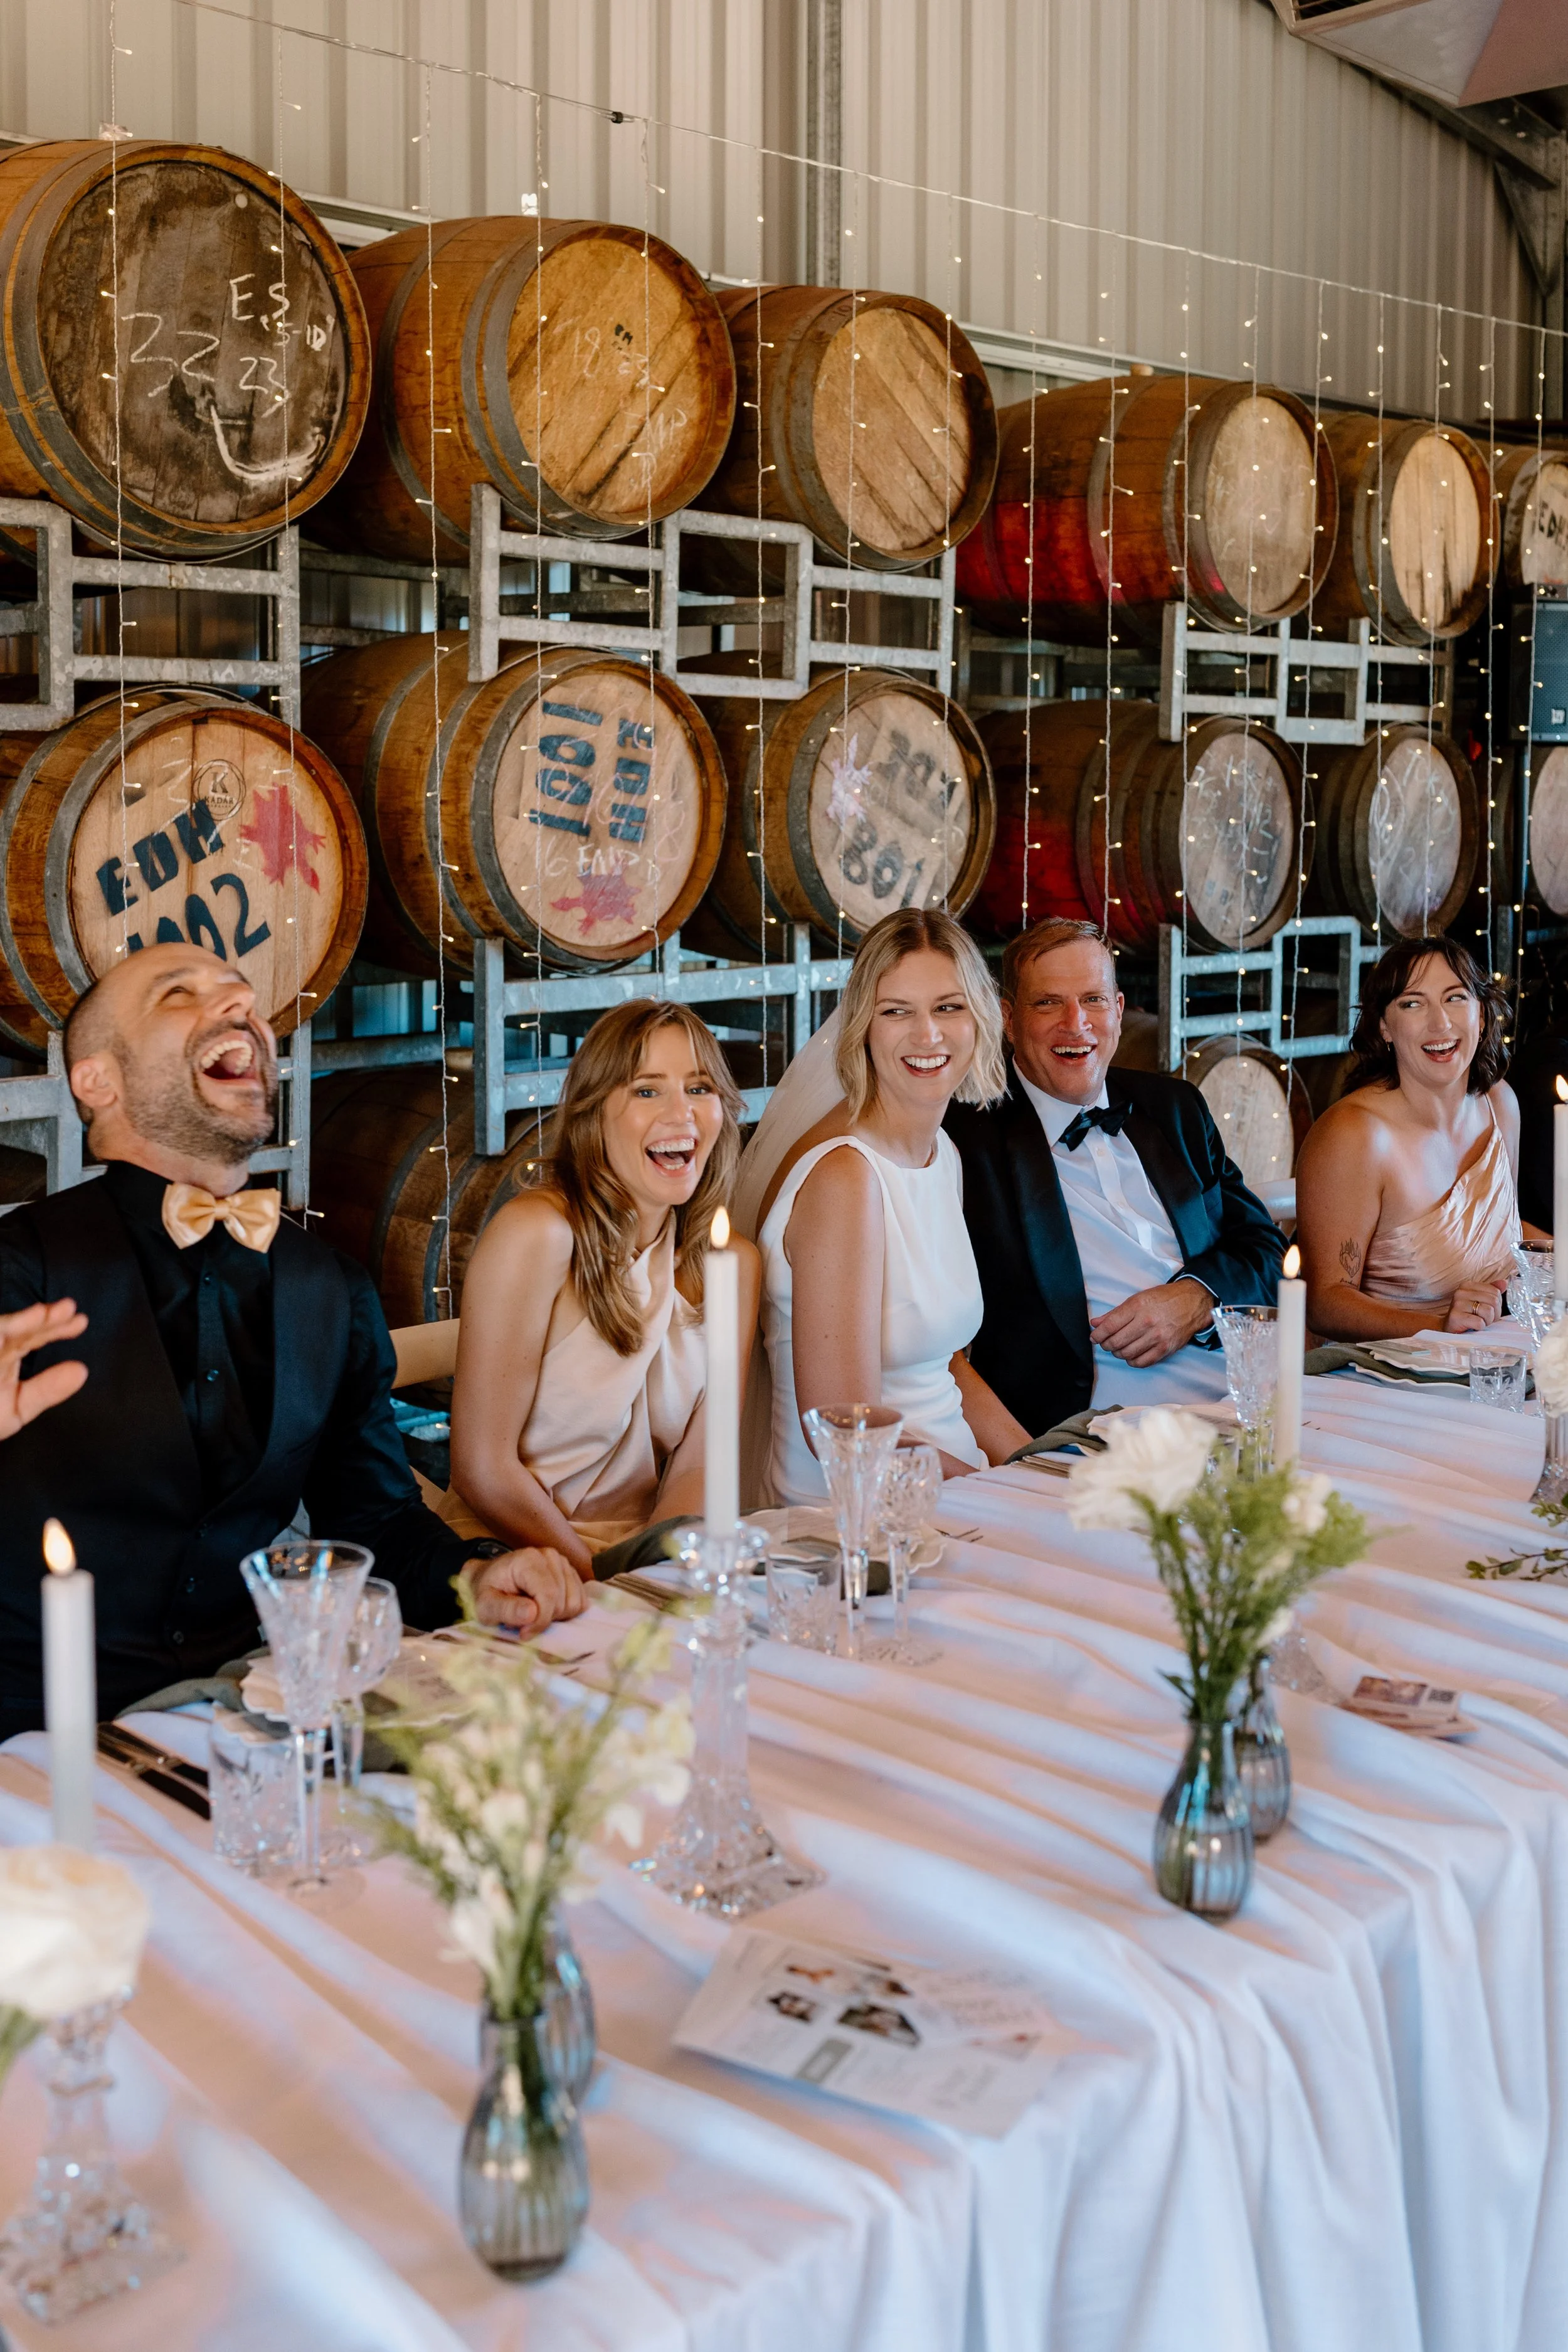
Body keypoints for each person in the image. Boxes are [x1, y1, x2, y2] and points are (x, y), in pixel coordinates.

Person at [0, 944, 584, 1741]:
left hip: (241, 1718)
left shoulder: (329, 1287)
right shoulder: (19, 1266)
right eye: (180, 993)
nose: (239, 1005)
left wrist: (474, 1577)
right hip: (29, 1740)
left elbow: (374, 1521)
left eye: (243, 995)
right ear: (96, 1081)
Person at [444, 1000, 760, 1574]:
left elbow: (699, 1468)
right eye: (646, 1091)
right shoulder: (537, 1233)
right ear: (593, 1112)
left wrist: (662, 1570)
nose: (681, 1114)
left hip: (638, 1559)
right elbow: (482, 1470)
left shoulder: (733, 1264)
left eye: (699, 1088)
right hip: (508, 1557)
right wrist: (593, 1581)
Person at [945, 918, 1286, 1436]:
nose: (1075, 1023)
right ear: (1009, 1021)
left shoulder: (1176, 1109)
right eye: (1048, 1003)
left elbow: (1263, 1247)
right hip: (1093, 1440)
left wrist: (1197, 1297)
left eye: (1094, 1000)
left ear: (1120, 1011)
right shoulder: (964, 1141)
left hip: (1249, 1408)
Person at [744, 908, 1030, 1506]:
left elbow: (944, 1366)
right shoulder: (845, 1178)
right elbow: (846, 1430)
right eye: (896, 1011)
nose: (927, 1035)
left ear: (980, 1017)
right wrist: (998, 1496)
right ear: (863, 1029)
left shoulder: (942, 1154)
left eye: (948, 1007)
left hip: (957, 1487)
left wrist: (1037, 1467)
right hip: (856, 1517)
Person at [1294, 935, 1534, 1341]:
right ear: (1385, 1027)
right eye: (1413, 1003)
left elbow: (1499, 1227)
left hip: (1491, 1354)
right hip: (1377, 1377)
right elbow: (1325, 1303)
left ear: (1480, 1016)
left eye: (1455, 998)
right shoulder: (1354, 1136)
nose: (1440, 1023)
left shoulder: (1499, 1105)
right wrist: (1439, 1326)